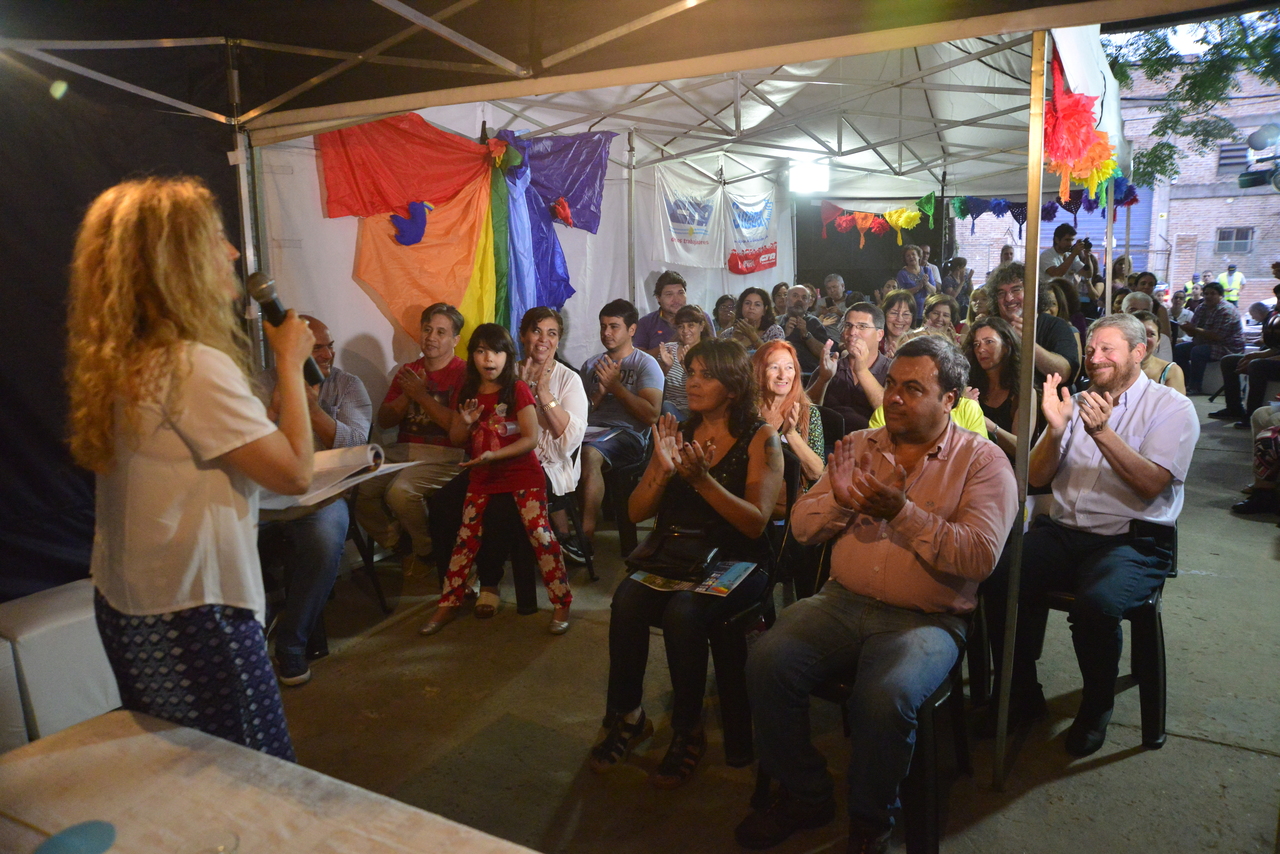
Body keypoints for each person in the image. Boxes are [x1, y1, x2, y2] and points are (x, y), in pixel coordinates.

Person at [734, 335, 1017, 854]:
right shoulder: (862, 445)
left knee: (883, 696)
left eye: (914, 388)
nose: (895, 397)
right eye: (892, 384)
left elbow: (979, 557)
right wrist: (840, 503)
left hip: (927, 619)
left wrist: (902, 514)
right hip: (842, 601)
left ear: (950, 399)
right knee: (767, 660)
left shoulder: (983, 462)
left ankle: (871, 821)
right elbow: (801, 527)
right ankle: (807, 793)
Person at [67, 176, 315, 760]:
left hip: (134, 605)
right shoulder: (190, 364)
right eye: (216, 238)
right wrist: (289, 361)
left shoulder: (131, 358)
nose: (232, 252)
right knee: (254, 774)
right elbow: (295, 473)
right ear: (174, 263)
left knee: (189, 768)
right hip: (197, 613)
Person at [999, 314, 1198, 756]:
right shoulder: (1077, 401)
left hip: (1132, 542)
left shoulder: (1171, 408)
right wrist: (1055, 429)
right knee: (1000, 577)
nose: (1095, 357)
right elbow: (1037, 477)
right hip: (1065, 532)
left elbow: (1151, 484)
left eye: (1108, 349)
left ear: (1138, 352)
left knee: (1096, 605)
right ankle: (1022, 693)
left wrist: (1102, 433)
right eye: (1091, 349)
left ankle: (1096, 707)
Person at [590, 340, 783, 789]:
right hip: (681, 554)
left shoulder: (761, 437)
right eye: (691, 372)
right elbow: (635, 513)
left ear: (732, 388)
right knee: (628, 598)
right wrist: (661, 469)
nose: (691, 382)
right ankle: (629, 714)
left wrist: (702, 480)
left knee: (684, 611)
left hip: (739, 560)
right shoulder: (677, 430)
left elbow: (755, 524)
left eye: (705, 375)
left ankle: (687, 726)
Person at [419, 324, 573, 636]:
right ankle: (448, 602)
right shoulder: (468, 392)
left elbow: (530, 438)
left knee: (541, 536)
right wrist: (464, 423)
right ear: (472, 356)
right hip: (483, 476)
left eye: (496, 351)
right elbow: (457, 438)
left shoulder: (517, 389)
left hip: (522, 476)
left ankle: (561, 602)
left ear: (507, 356)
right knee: (465, 540)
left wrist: (495, 455)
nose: (489, 358)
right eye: (481, 351)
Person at [256, 315, 372, 686]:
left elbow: (357, 446)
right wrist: (276, 408)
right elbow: (250, 447)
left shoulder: (347, 385)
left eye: (329, 346)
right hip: (268, 494)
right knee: (225, 535)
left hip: (324, 496)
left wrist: (312, 410)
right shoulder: (261, 383)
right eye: (317, 348)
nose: (327, 354)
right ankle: (254, 635)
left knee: (323, 542)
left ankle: (291, 645)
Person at [355, 304, 466, 576]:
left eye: (441, 332)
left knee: (400, 492)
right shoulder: (408, 371)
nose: (431, 337)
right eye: (427, 330)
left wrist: (421, 396)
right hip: (403, 450)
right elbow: (385, 420)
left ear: (455, 340)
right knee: (357, 487)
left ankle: (427, 550)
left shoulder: (463, 373)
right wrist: (408, 394)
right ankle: (399, 543)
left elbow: (456, 427)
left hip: (446, 455)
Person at [579, 299, 665, 550]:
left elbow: (651, 415)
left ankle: (585, 534)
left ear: (632, 329)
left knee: (589, 454)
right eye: (603, 326)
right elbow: (579, 412)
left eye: (614, 326)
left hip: (629, 435)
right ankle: (555, 533)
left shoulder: (644, 364)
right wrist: (598, 395)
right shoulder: (591, 364)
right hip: (590, 430)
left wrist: (616, 387)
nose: (606, 333)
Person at [987, 262, 1079, 386]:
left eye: (1016, 290)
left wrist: (1028, 343)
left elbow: (1063, 373)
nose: (1008, 298)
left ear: (1033, 291)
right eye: (1001, 293)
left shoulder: (1056, 326)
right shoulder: (990, 329)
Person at [807, 303, 890, 433]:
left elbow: (891, 413)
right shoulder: (831, 366)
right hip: (829, 441)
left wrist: (862, 371)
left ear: (880, 334)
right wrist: (823, 379)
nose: (852, 332)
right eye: (848, 325)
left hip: (873, 442)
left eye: (862, 326)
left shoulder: (892, 370)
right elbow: (805, 412)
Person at [755, 340, 825, 486]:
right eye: (774, 367)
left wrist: (791, 434)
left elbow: (816, 473)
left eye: (789, 367)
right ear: (759, 371)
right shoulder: (747, 409)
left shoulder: (808, 413)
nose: (782, 375)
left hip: (791, 495)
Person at [963, 316, 1023, 460]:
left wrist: (983, 422)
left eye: (989, 342)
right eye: (976, 344)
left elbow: (1021, 449)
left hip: (1007, 467)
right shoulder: (968, 385)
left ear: (1007, 345)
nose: (981, 349)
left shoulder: (1023, 392)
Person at [1173, 281, 1244, 395]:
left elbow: (1217, 336)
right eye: (1206, 294)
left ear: (1220, 295)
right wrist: (1187, 328)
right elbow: (1193, 333)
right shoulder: (1202, 307)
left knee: (1198, 351)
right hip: (1205, 343)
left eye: (1212, 293)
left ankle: (1195, 387)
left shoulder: (1226, 310)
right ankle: (1185, 382)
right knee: (1178, 350)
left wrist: (1194, 329)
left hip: (1228, 347)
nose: (1208, 296)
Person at [634, 270, 713, 356]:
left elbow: (714, 349)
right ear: (658, 298)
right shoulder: (646, 322)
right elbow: (638, 357)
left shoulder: (700, 316)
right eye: (669, 294)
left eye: (680, 293)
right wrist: (670, 347)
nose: (676, 299)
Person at [658, 304, 710, 419]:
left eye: (691, 325)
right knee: (666, 406)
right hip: (669, 408)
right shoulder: (669, 349)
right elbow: (656, 386)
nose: (685, 331)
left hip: (698, 410)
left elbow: (710, 387)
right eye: (681, 326)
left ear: (701, 326)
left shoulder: (709, 353)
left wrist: (687, 368)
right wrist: (666, 367)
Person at [1131, 310, 1186, 395]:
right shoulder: (1112, 368)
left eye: (1151, 334)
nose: (1144, 339)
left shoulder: (1172, 372)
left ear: (1158, 341)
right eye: (1137, 333)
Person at [780, 284, 830, 374]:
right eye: (795, 296)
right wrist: (785, 335)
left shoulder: (814, 323)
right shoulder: (776, 322)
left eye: (804, 298)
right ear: (786, 300)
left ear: (809, 303)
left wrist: (806, 334)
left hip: (808, 374)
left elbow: (823, 354)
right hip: (781, 371)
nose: (800, 300)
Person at [721, 286, 784, 354]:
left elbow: (775, 356)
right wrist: (734, 341)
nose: (751, 307)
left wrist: (753, 337)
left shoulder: (774, 331)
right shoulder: (727, 334)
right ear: (741, 307)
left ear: (765, 309)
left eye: (757, 304)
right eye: (747, 303)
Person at [1120, 292, 1172, 361]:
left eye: (1145, 311)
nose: (1139, 315)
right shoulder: (1112, 337)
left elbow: (1164, 366)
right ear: (1121, 313)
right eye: (1133, 310)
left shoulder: (1162, 339)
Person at [895, 244, 935, 317]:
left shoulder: (927, 270)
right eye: (908, 256)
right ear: (905, 259)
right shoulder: (902, 274)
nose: (911, 257)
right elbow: (900, 294)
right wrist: (918, 288)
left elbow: (934, 291)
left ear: (919, 256)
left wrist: (926, 283)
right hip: (909, 311)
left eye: (913, 254)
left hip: (926, 311)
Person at [879, 289, 917, 359]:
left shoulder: (919, 344)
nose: (899, 319)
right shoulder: (874, 340)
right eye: (894, 313)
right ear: (884, 314)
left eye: (906, 314)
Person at [816, 274, 848, 341]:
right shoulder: (820, 303)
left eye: (834, 287)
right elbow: (811, 322)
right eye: (829, 288)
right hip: (824, 337)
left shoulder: (851, 301)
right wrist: (821, 313)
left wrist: (840, 313)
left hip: (844, 338)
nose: (832, 290)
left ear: (843, 286)